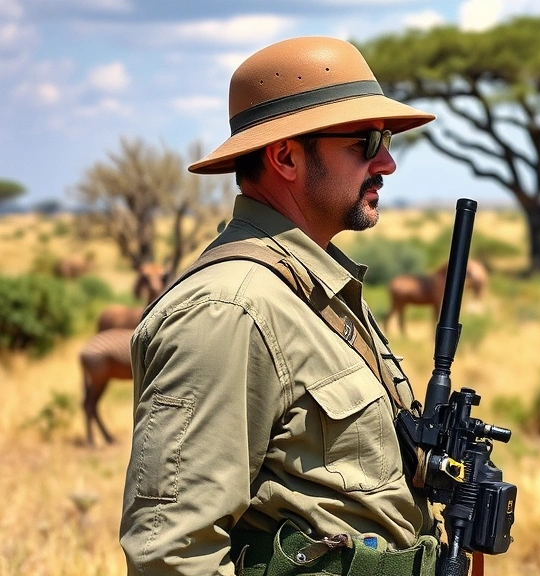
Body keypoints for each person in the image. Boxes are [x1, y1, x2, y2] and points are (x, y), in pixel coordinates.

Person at [120, 37, 439, 576]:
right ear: (286, 156)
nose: (386, 162)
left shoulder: (310, 288)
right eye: (366, 142)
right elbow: (172, 556)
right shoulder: (228, 310)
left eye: (385, 140)